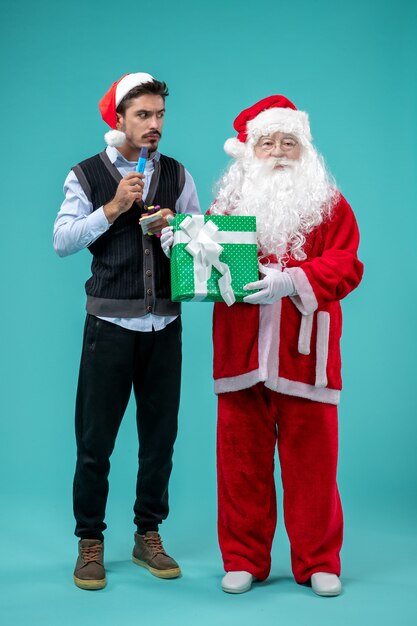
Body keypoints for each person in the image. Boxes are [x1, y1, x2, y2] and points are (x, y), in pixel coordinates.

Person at [163, 95, 363, 596]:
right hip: (241, 352)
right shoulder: (226, 208)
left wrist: (293, 279)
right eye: (267, 142)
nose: (277, 151)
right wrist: (183, 244)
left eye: (288, 142)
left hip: (306, 357)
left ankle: (319, 560)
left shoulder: (331, 206)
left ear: (305, 150)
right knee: (240, 465)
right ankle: (245, 559)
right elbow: (203, 266)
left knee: (314, 468)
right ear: (249, 151)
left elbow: (347, 265)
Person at [53, 72, 200, 590]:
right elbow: (62, 241)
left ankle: (147, 534)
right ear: (119, 120)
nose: (154, 124)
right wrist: (113, 207)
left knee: (160, 440)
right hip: (109, 325)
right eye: (143, 115)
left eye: (160, 115)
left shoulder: (178, 175)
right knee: (95, 441)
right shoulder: (87, 175)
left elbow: (200, 248)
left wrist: (174, 234)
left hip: (166, 326)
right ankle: (89, 541)